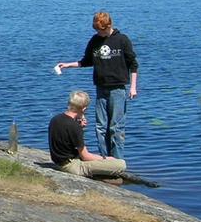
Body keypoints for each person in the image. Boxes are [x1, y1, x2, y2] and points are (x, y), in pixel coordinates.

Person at [54, 10, 138, 160]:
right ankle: (104, 159)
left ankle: (117, 161)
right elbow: (85, 61)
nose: (99, 32)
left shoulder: (122, 40)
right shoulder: (95, 41)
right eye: (97, 30)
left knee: (116, 127)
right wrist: (67, 65)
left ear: (109, 25)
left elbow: (133, 64)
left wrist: (133, 87)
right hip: (101, 88)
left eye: (101, 30)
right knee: (100, 126)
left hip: (118, 88)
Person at [48, 89, 126, 179]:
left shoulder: (55, 119)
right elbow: (85, 156)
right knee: (121, 164)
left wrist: (80, 128)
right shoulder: (74, 126)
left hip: (58, 162)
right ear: (84, 109)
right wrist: (106, 158)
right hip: (72, 166)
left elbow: (68, 139)